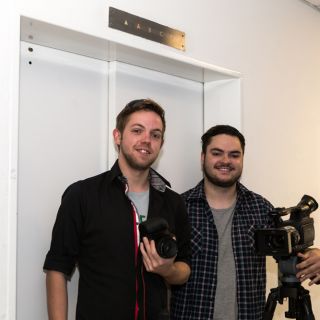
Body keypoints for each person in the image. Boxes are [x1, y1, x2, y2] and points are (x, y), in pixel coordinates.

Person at [43, 98, 191, 320]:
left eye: (155, 134)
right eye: (137, 130)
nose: (146, 140)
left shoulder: (173, 202)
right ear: (118, 136)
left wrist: (167, 271)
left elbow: (184, 269)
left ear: (161, 143)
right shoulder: (82, 195)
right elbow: (57, 269)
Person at [170, 124, 274, 320]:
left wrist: (314, 255)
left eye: (234, 155)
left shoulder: (261, 208)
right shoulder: (179, 207)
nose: (226, 161)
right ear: (203, 158)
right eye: (217, 153)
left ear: (243, 159)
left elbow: (290, 252)